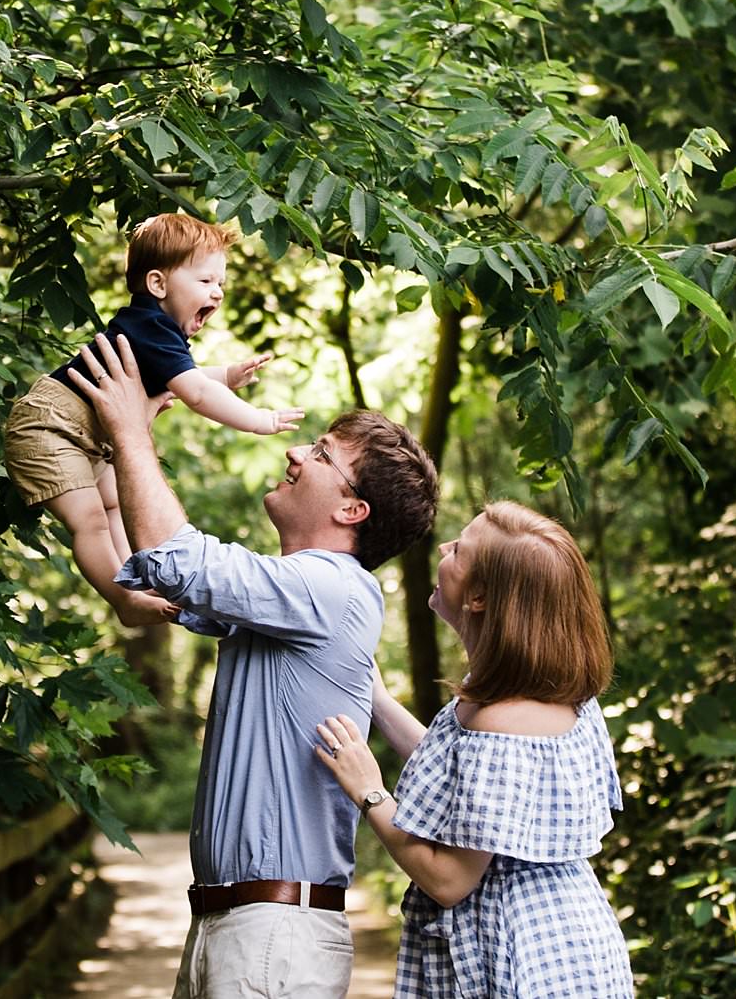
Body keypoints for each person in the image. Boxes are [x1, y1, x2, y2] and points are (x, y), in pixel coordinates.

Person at [65, 331, 440, 999]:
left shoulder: (334, 589)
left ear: (351, 508)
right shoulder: (285, 598)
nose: (296, 451)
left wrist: (130, 433)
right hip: (233, 925)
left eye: (322, 452)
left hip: (273, 937)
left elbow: (179, 556)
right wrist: (110, 450)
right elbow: (144, 589)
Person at [312, 501, 634, 998]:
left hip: (517, 952)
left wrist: (371, 794)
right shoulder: (543, 694)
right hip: (563, 940)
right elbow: (468, 783)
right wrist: (378, 701)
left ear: (480, 596)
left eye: (459, 549)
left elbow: (447, 879)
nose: (443, 549)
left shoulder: (501, 725)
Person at [3, 214, 304, 628]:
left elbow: (185, 380)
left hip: (88, 436)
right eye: (205, 282)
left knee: (116, 505)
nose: (217, 293)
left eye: (221, 284)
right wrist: (259, 420)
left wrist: (228, 375)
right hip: (49, 428)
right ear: (159, 284)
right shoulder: (150, 327)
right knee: (90, 517)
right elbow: (195, 392)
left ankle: (139, 581)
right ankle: (122, 598)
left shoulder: (155, 331)